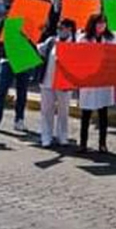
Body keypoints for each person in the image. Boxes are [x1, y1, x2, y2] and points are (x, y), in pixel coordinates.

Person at [0, 14, 33, 133]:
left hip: (24, 58)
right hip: (7, 59)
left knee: (22, 91)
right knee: (1, 91)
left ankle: (19, 120)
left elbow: (36, 40)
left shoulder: (30, 22)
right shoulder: (7, 21)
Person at [78, 14, 116, 153]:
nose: (102, 25)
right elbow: (80, 58)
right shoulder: (84, 39)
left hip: (104, 81)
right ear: (92, 24)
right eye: (99, 23)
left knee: (103, 114)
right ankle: (83, 143)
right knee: (86, 114)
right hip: (89, 81)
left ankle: (102, 143)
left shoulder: (110, 39)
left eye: (104, 22)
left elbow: (115, 57)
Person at [37, 18, 75, 148]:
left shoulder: (75, 43)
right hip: (47, 81)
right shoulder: (51, 41)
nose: (59, 30)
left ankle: (62, 136)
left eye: (62, 28)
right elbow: (38, 49)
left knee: (63, 110)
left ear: (69, 29)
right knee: (47, 110)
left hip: (65, 84)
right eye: (58, 27)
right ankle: (46, 137)